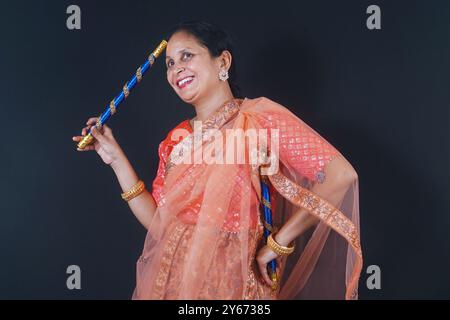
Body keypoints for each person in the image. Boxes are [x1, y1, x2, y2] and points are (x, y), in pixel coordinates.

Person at [72, 20, 362, 300]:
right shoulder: (176, 140)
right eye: (170, 63)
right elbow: (160, 225)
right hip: (170, 283)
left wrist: (279, 242)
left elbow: (340, 176)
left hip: (232, 284)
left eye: (187, 56)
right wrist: (115, 159)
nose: (176, 69)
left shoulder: (260, 120)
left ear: (222, 62)